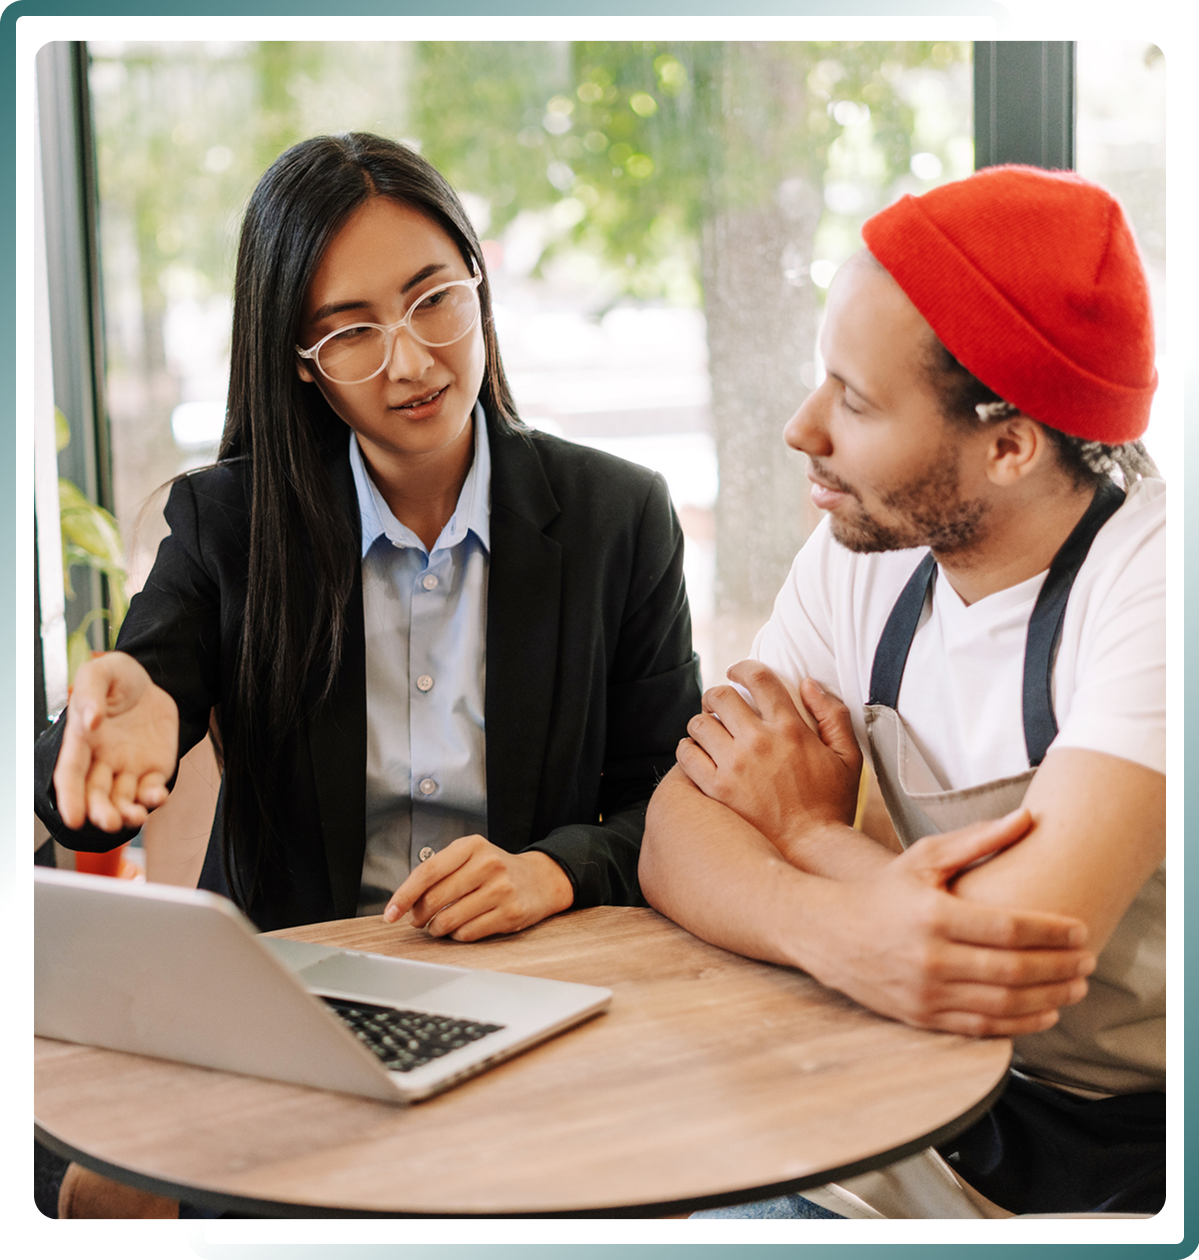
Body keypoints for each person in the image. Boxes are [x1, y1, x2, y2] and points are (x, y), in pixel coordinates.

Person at [640, 165, 1179, 1217]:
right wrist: (835, 929)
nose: (803, 429)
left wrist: (802, 830)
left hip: (1143, 1158)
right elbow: (675, 833)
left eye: (855, 399)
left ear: (1011, 444)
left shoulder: (1163, 572)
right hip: (921, 1095)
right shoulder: (872, 548)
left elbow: (1009, 961)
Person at [34, 132, 702, 940]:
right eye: (352, 331)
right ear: (302, 361)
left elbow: (672, 805)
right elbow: (99, 782)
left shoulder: (619, 515)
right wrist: (98, 748)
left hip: (533, 969)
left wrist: (552, 870)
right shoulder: (231, 524)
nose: (412, 362)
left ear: (479, 285)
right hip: (295, 992)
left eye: (433, 301)